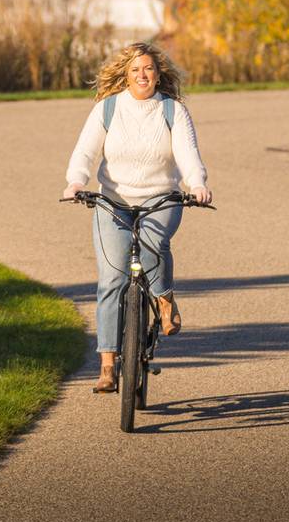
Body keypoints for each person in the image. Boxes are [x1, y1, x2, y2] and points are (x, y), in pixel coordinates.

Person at [62, 42, 211, 393]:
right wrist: (75, 182)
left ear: (158, 73)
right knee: (112, 278)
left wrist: (198, 183)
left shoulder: (172, 111)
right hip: (113, 201)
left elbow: (188, 154)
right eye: (135, 70)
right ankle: (108, 365)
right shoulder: (108, 109)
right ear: (125, 75)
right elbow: (85, 150)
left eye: (148, 69)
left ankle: (163, 299)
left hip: (161, 197)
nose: (142, 75)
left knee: (153, 241)